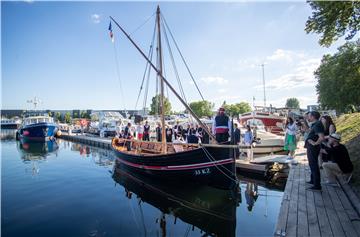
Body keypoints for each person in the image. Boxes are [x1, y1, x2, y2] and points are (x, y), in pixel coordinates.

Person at [305, 111, 325, 191]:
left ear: (313, 117)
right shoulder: (315, 124)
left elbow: (321, 137)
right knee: (312, 164)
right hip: (311, 147)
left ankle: (317, 186)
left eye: (309, 116)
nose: (308, 118)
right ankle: (313, 180)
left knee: (313, 165)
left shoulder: (317, 124)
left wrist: (315, 143)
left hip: (313, 148)